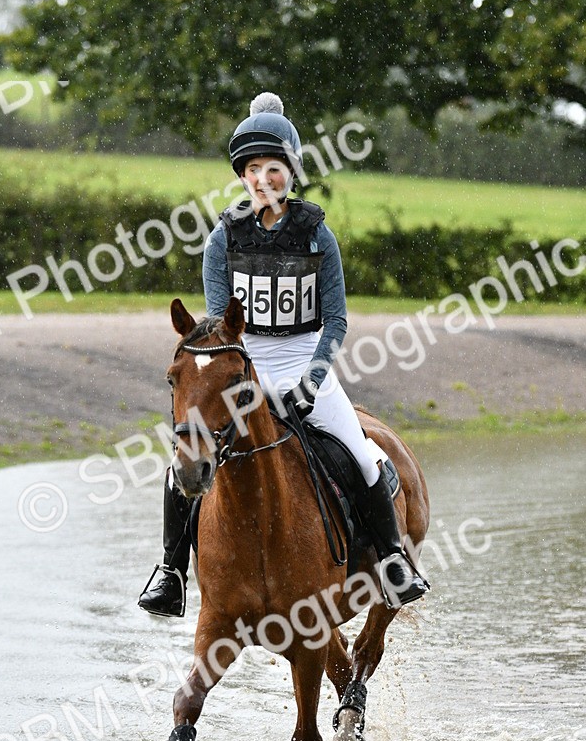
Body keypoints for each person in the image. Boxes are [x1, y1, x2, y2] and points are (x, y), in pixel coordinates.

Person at [138, 92, 428, 617]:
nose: (263, 178)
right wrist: (240, 381)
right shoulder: (223, 238)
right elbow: (223, 328)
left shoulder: (318, 235)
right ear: (243, 176)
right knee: (184, 462)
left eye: (274, 167)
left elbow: (335, 320)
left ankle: (391, 559)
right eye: (253, 169)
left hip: (303, 360)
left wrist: (312, 381)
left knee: (362, 456)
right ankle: (172, 572)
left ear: (290, 172)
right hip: (244, 364)